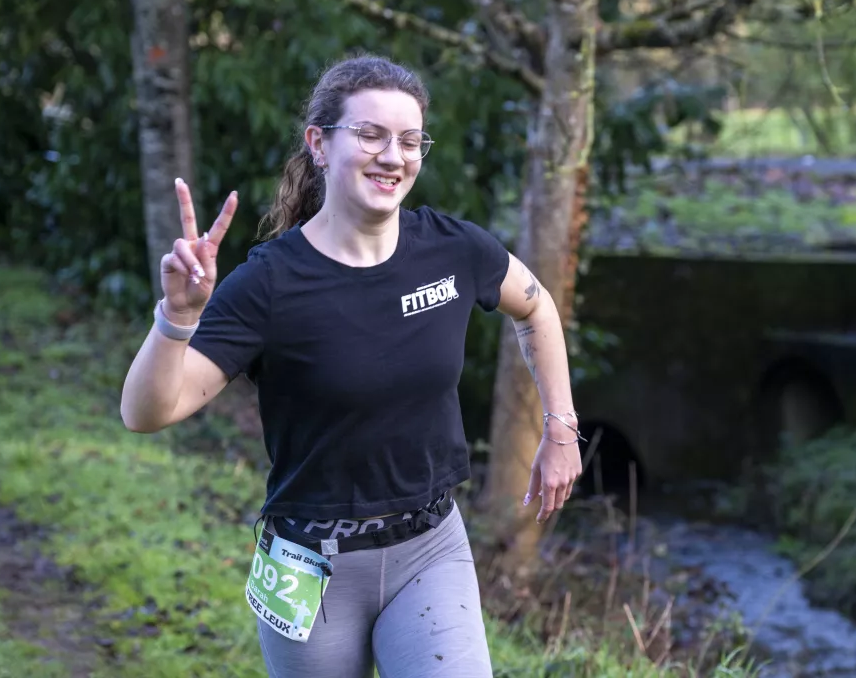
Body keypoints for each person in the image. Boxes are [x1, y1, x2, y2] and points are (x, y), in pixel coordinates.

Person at [119, 54, 584, 678]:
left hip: (430, 549)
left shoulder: (452, 250)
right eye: (370, 135)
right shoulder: (268, 284)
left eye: (410, 141)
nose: (393, 156)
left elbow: (537, 307)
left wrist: (561, 428)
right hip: (307, 566)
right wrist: (177, 318)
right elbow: (147, 413)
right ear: (319, 143)